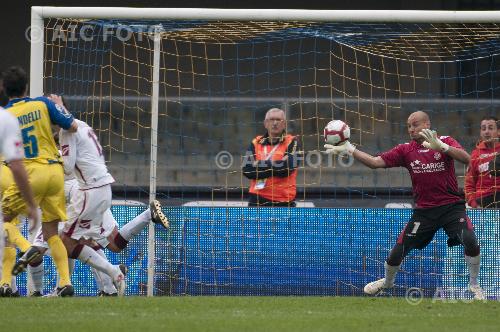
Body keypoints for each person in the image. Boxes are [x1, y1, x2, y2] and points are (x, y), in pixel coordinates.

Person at [324, 111, 484, 300]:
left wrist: (441, 147)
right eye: (408, 126)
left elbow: (467, 159)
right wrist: (350, 149)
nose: (411, 129)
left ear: (427, 124)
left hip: (451, 207)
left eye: (415, 124)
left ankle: (474, 285)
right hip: (424, 212)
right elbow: (375, 163)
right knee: (395, 254)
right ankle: (387, 283)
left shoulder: (446, 140)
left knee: (470, 240)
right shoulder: (405, 150)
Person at [1, 66, 77, 296]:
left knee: (5, 221)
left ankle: (26, 249)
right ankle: (64, 282)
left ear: (4, 89)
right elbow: (72, 125)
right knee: (52, 232)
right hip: (55, 173)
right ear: (26, 87)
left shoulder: (5, 115)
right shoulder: (44, 104)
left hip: (30, 172)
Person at [0, 108, 39, 297]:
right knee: (6, 232)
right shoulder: (10, 120)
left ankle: (26, 247)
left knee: (5, 228)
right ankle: (7, 285)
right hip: (11, 175)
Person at [242, 108, 299, 207]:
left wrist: (259, 164)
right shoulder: (256, 142)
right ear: (265, 123)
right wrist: (279, 163)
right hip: (257, 199)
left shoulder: (292, 141)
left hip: (284, 202)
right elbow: (247, 170)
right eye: (271, 119)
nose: (275, 123)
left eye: (278, 120)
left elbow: (287, 168)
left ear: (284, 124)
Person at [464, 116, 499, 208]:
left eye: (490, 128)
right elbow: (469, 185)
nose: (486, 131)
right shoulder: (475, 154)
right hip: (482, 200)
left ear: (499, 131)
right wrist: (474, 203)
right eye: (483, 129)